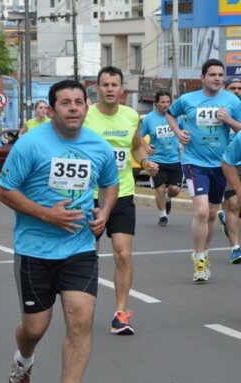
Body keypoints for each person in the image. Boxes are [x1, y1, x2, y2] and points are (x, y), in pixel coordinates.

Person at [0, 80, 119, 383]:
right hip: (34, 249)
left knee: (80, 321)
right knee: (35, 327)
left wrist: (104, 213)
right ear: (52, 110)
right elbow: (3, 190)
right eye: (65, 103)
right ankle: (23, 360)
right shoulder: (31, 144)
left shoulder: (99, 147)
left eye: (79, 102)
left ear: (86, 107)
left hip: (79, 247)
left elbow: (110, 182)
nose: (74, 108)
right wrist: (46, 213)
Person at [84, 66, 158, 335]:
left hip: (123, 192)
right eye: (105, 84)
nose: (110, 89)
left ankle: (121, 313)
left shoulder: (130, 117)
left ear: (122, 89)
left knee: (123, 253)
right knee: (87, 255)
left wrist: (146, 161)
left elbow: (136, 146)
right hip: (90, 194)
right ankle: (84, 307)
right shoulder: (86, 116)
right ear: (97, 88)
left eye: (115, 84)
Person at [167, 59, 241, 281]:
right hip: (193, 162)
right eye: (212, 75)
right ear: (203, 77)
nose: (217, 78)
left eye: (220, 75)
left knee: (210, 214)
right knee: (200, 211)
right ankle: (199, 259)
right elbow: (170, 114)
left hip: (220, 164)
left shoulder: (232, 101)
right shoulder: (189, 99)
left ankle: (204, 253)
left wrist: (228, 120)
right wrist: (178, 132)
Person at [141, 91, 182, 226]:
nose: (165, 105)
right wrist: (146, 147)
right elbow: (138, 136)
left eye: (168, 102)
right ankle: (163, 215)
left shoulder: (177, 117)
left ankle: (168, 198)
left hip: (175, 159)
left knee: (174, 190)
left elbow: (185, 131)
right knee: (160, 189)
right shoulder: (149, 119)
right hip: (157, 160)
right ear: (156, 104)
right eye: (162, 102)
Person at [217, 76, 241, 264]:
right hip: (227, 163)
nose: (237, 91)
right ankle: (235, 248)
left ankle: (226, 218)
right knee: (233, 202)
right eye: (233, 88)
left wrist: (229, 121)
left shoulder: (231, 113)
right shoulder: (218, 107)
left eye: (240, 88)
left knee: (234, 208)